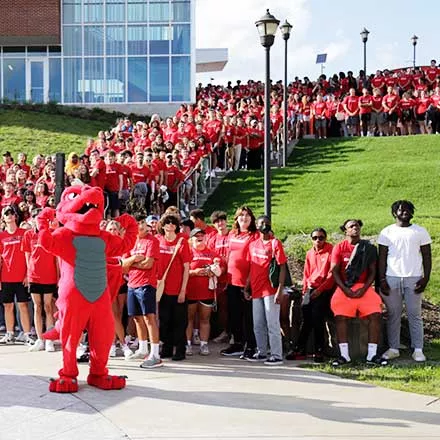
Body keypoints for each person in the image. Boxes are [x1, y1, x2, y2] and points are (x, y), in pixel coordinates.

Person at [378, 200, 432, 362]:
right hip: (391, 278)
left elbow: (427, 256)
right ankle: (394, 348)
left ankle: (418, 349)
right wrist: (382, 279)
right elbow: (382, 257)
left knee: (414, 314)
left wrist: (426, 278)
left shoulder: (420, 232)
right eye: (400, 210)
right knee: (393, 314)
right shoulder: (387, 232)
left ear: (412, 212)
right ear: (395, 213)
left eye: (408, 209)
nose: (404, 212)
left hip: (414, 277)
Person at [330, 219, 387, 366]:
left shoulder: (368, 248)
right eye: (351, 226)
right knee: (340, 316)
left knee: (376, 314)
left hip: (364, 287)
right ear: (345, 231)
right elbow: (335, 271)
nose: (355, 228)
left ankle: (372, 355)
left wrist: (364, 288)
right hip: (345, 287)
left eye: (357, 226)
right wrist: (345, 289)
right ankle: (344, 356)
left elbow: (373, 272)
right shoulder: (339, 247)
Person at [287, 228, 334, 362]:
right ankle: (301, 348)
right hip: (311, 288)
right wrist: (304, 291)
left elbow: (332, 275)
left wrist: (320, 289)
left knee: (318, 317)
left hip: (325, 289)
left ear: (325, 238)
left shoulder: (331, 251)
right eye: (315, 238)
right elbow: (306, 273)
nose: (318, 240)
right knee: (306, 318)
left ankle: (320, 350)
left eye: (321, 237)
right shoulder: (309, 253)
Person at [122, 213, 163, 367]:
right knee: (137, 318)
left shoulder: (152, 241)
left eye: (141, 223)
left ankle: (155, 354)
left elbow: (148, 264)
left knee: (149, 318)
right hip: (132, 284)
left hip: (146, 284)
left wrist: (130, 264)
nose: (139, 226)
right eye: (136, 223)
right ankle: (143, 348)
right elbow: (123, 266)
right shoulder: (131, 241)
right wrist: (133, 260)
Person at [245, 215, 287, 365]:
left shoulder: (275, 243)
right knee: (258, 323)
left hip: (270, 289)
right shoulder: (253, 244)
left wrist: (280, 289)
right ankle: (262, 351)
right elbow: (252, 267)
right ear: (256, 225)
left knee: (272, 323)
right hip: (256, 289)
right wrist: (247, 287)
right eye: (262, 223)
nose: (265, 225)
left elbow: (282, 266)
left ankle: (276, 354)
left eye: (267, 223)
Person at [221, 206, 258, 358]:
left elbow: (254, 261)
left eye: (247, 215)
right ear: (236, 219)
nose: (244, 218)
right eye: (241, 216)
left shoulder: (254, 236)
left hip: (246, 282)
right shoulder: (232, 234)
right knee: (234, 314)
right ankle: (237, 343)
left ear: (252, 219)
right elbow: (229, 255)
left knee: (248, 316)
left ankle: (251, 345)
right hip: (231, 280)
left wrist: (248, 285)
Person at [22, 208, 58, 352]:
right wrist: (28, 274)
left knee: (48, 307)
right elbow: (27, 257)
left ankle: (49, 339)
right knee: (37, 307)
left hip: (49, 275)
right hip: (34, 276)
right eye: (36, 218)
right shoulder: (28, 235)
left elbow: (56, 258)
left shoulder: (50, 234)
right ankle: (40, 339)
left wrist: (58, 277)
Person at [157, 214, 191, 361]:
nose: (170, 225)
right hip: (162, 288)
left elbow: (186, 267)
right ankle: (167, 348)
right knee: (164, 321)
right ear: (162, 226)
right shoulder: (158, 241)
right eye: (167, 223)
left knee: (179, 322)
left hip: (177, 289)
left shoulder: (182, 242)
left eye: (173, 223)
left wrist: (183, 290)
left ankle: (180, 349)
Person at [0, 206, 33, 345]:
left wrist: (27, 274)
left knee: (23, 305)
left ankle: (26, 334)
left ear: (15, 216)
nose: (9, 215)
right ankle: (9, 333)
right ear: (3, 217)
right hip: (6, 276)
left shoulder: (24, 233)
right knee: (8, 306)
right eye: (6, 213)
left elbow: (29, 255)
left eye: (11, 213)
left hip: (21, 276)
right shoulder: (1, 236)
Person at [186, 228, 221, 356]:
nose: (199, 237)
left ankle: (204, 344)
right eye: (196, 236)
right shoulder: (187, 252)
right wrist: (194, 272)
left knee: (205, 319)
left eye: (202, 235)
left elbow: (220, 269)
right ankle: (188, 344)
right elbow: (182, 271)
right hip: (190, 291)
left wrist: (214, 270)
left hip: (207, 292)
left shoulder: (212, 253)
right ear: (191, 239)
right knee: (188, 319)